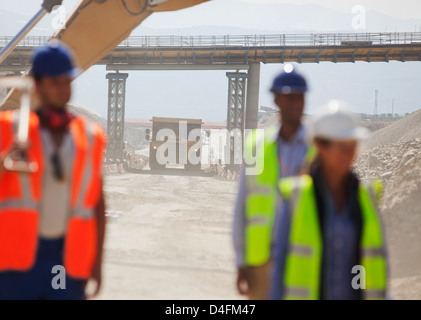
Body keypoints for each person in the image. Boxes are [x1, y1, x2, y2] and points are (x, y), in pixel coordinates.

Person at [0, 40, 107, 300]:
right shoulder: (9, 129)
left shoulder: (90, 137)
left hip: (65, 259)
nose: (62, 88)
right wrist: (6, 155)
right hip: (17, 259)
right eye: (54, 82)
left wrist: (97, 263)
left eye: (66, 81)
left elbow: (97, 204)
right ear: (37, 85)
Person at [270, 101, 388, 300]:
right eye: (341, 147)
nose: (348, 154)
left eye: (351, 146)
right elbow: (279, 267)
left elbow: (374, 264)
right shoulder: (298, 197)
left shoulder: (365, 198)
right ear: (320, 146)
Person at [232, 64, 314, 300]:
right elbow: (242, 207)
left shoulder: (318, 148)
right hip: (262, 261)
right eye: (288, 97)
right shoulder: (256, 146)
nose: (294, 103)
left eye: (298, 97)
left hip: (306, 258)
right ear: (276, 99)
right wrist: (241, 260)